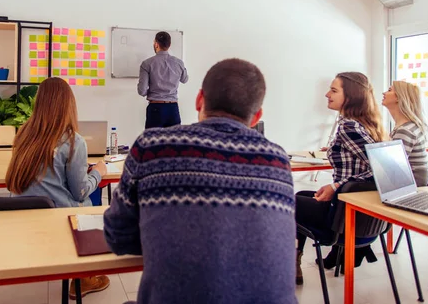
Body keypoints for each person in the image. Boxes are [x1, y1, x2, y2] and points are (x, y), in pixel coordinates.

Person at [105, 58, 297, 304]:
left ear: (199, 99)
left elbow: (118, 238)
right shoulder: (278, 159)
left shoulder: (152, 146)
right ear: (256, 116)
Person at [5, 77, 109, 301]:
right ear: (68, 105)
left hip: (23, 217)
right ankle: (85, 274)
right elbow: (79, 192)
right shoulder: (73, 142)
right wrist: (99, 171)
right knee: (95, 192)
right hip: (59, 218)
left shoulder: (23, 135)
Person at [295, 72, 385, 285]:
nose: (327, 94)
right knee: (303, 195)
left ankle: (292, 262)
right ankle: (296, 261)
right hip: (369, 220)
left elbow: (380, 170)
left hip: (344, 217)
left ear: (351, 96)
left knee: (291, 203)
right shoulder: (369, 124)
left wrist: (336, 185)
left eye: (334, 90)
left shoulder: (349, 126)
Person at [137, 31, 189, 129]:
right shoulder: (178, 62)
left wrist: (153, 91)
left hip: (155, 108)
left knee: (153, 142)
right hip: (173, 109)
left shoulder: (147, 63)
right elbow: (185, 79)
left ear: (156, 44)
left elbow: (142, 91)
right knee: (173, 142)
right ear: (169, 45)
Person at [382, 81, 428, 186]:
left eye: (389, 90)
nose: (383, 93)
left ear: (399, 97)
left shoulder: (405, 130)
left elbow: (392, 168)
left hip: (411, 187)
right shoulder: (409, 126)